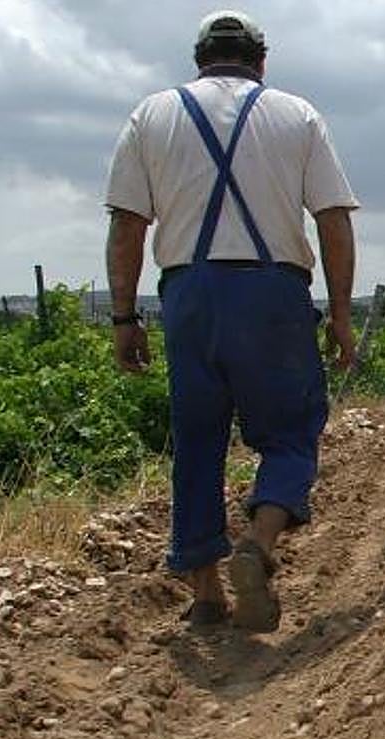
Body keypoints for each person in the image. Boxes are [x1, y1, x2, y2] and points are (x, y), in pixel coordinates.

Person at [104, 10, 358, 632]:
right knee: (292, 433)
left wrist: (123, 317)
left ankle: (207, 593)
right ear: (260, 63)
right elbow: (333, 219)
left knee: (197, 442)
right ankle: (260, 541)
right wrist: (342, 316)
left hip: (187, 293)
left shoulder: (152, 115)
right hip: (272, 292)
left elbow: (126, 226)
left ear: (199, 61)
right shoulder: (297, 115)